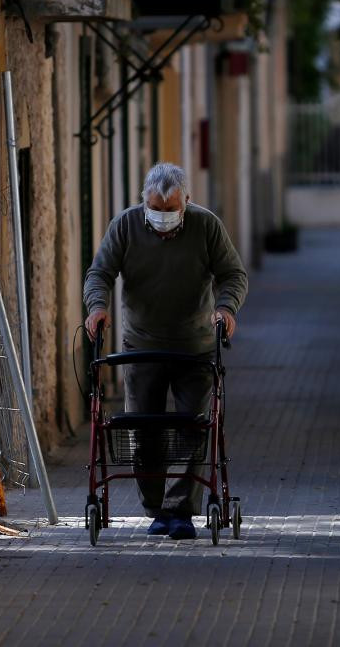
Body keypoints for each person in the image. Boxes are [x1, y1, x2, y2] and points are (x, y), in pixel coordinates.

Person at [83, 163, 248, 539]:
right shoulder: (125, 226)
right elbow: (100, 272)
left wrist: (225, 308)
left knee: (193, 427)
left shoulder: (206, 227)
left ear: (186, 202)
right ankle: (157, 509)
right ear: (144, 202)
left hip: (194, 347)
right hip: (141, 344)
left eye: (171, 210)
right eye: (155, 208)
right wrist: (97, 307)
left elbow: (233, 274)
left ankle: (181, 510)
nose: (163, 217)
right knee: (144, 428)